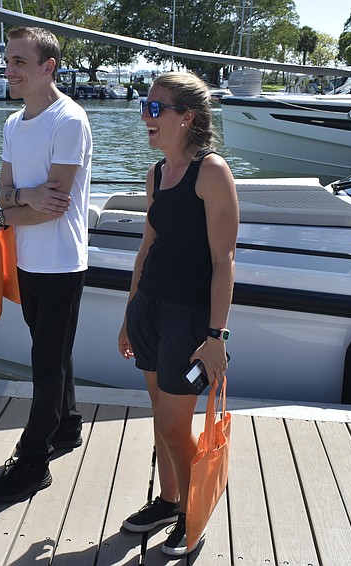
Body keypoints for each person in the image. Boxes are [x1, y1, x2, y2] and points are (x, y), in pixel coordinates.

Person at [117, 72, 238, 555]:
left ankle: (195, 511)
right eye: (145, 107)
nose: (145, 117)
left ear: (186, 117)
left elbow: (224, 260)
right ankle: (169, 499)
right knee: (160, 415)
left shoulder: (211, 172)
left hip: (189, 320)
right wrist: (129, 313)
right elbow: (147, 246)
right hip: (149, 308)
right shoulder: (155, 174)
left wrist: (216, 336)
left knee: (173, 424)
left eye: (154, 108)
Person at [0, 26, 93, 503]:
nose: (10, 71)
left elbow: (54, 207)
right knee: (52, 353)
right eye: (8, 61)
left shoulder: (69, 121)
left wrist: (2, 214)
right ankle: (66, 426)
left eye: (20, 62)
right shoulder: (12, 123)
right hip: (27, 260)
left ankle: (32, 464)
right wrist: (18, 200)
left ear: (49, 68)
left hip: (63, 263)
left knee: (44, 365)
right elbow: (11, 192)